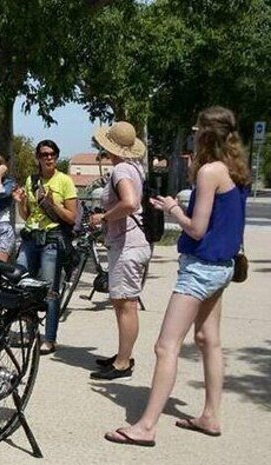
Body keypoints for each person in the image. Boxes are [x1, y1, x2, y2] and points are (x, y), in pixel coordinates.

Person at [105, 106, 249, 447]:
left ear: (205, 134)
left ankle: (146, 426)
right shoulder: (236, 170)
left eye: (196, 128)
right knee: (208, 340)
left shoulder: (209, 172)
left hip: (200, 268)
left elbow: (197, 229)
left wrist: (173, 209)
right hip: (222, 266)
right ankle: (211, 415)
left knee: (165, 345)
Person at [88, 122, 153, 381]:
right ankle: (122, 354)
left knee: (126, 304)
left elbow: (129, 202)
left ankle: (124, 362)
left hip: (128, 244)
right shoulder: (135, 168)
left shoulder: (121, 170)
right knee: (122, 302)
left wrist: (104, 217)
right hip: (130, 242)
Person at [12, 139, 77, 354]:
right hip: (31, 237)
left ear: (56, 157)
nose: (48, 158)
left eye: (52, 154)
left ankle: (49, 338)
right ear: (37, 158)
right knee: (22, 283)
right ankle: (29, 333)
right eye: (43, 154)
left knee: (50, 290)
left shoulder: (64, 181)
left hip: (52, 239)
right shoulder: (31, 181)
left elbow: (71, 217)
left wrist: (52, 204)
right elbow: (27, 215)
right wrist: (20, 202)